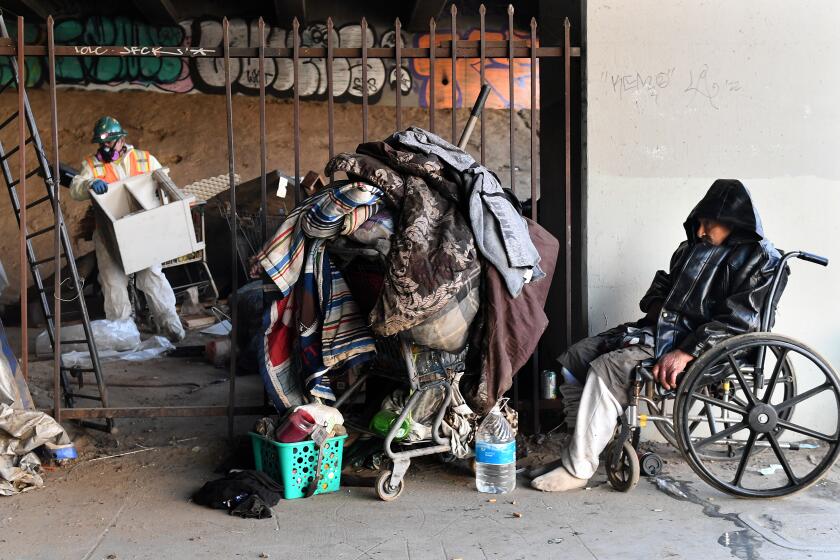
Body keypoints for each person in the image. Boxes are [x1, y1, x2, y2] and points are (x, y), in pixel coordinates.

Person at [532, 179, 782, 491]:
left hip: (705, 348)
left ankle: (578, 468)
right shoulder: (691, 249)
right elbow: (664, 285)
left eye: (709, 223)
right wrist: (656, 305)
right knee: (576, 357)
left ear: (734, 222)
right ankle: (583, 446)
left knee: (610, 368)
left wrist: (686, 351)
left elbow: (740, 321)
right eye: (700, 222)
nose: (702, 230)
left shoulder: (761, 259)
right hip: (662, 332)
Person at [69, 116, 185, 342]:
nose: (105, 147)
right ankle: (122, 333)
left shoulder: (144, 159)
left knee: (151, 275)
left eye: (110, 142)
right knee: (113, 281)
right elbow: (75, 188)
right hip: (107, 232)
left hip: (141, 229)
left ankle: (169, 324)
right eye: (102, 143)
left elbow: (164, 182)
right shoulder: (92, 165)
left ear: (122, 140)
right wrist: (89, 183)